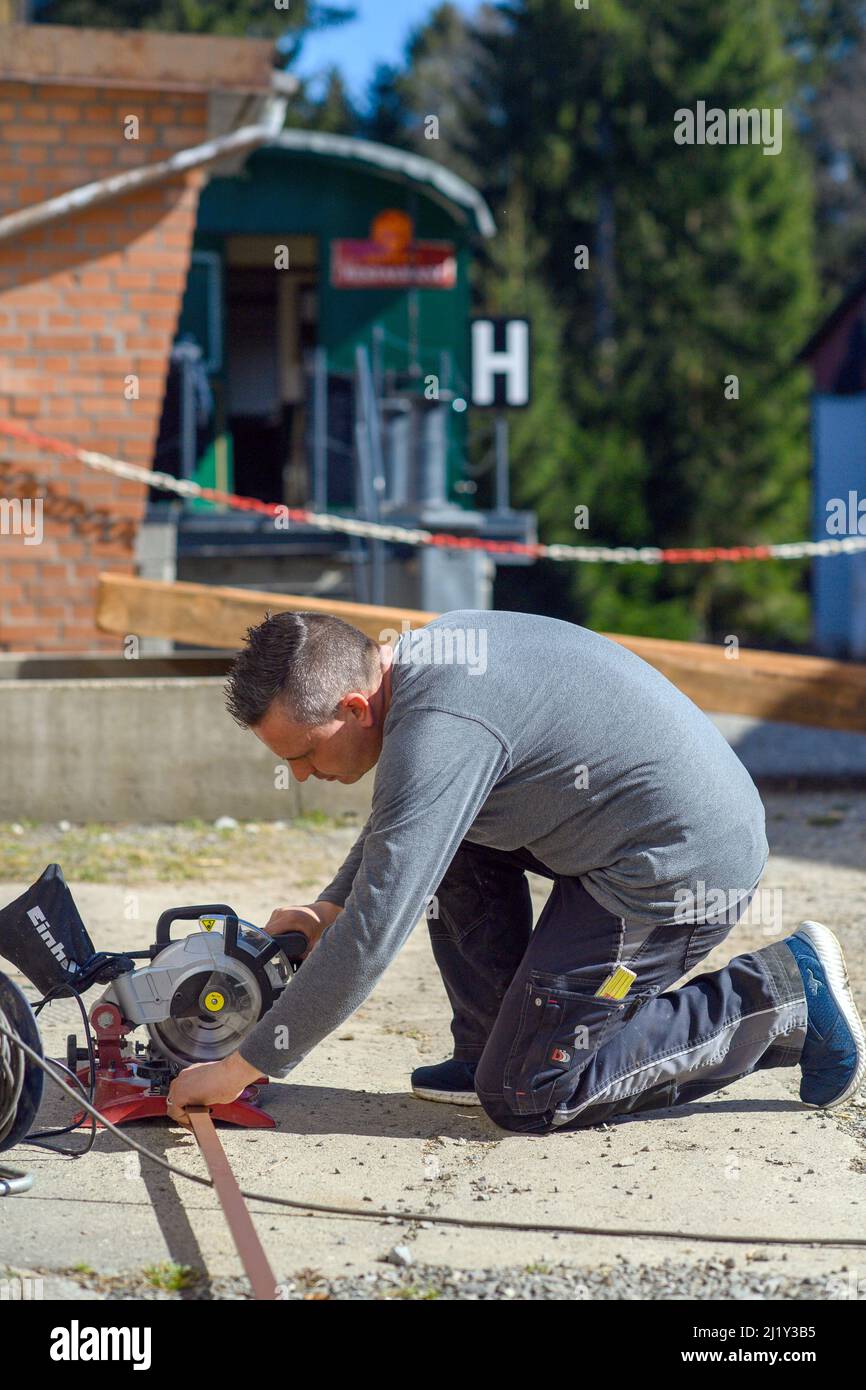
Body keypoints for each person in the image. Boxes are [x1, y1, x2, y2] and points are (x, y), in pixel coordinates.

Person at [166, 609, 865, 1133]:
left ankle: (781, 997)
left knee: (529, 1095)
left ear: (353, 706)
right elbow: (411, 822)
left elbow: (374, 935)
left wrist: (243, 1066)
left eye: (304, 753)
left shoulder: (441, 722)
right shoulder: (422, 669)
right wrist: (329, 908)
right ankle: (489, 1046)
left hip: (677, 869)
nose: (300, 775)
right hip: (622, 834)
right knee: (450, 847)